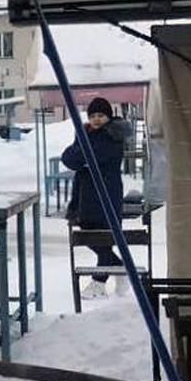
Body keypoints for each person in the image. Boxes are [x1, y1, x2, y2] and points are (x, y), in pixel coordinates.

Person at [62, 97, 128, 298]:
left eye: (101, 115)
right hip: (85, 195)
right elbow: (68, 158)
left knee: (103, 240)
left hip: (106, 194)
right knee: (89, 236)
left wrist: (82, 156)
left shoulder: (113, 135)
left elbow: (93, 155)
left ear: (108, 116)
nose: (96, 119)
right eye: (92, 116)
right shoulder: (86, 134)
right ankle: (120, 268)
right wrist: (81, 157)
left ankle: (99, 283)